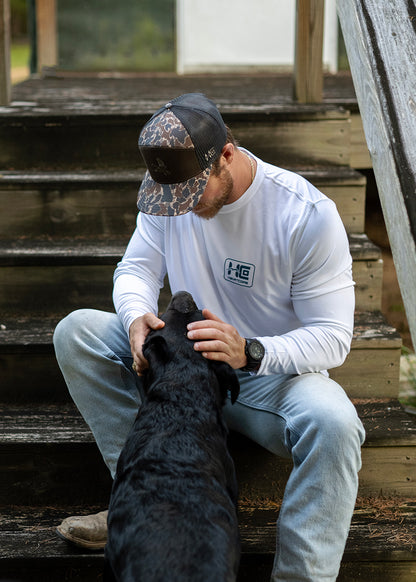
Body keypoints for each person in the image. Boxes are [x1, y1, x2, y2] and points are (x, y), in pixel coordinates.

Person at [54, 93, 365, 581]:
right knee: (78, 332)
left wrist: (251, 351)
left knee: (336, 425)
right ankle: (137, 501)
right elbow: (135, 269)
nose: (182, 206)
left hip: (268, 377)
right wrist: (136, 317)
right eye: (173, 196)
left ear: (227, 153)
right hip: (181, 366)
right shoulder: (169, 192)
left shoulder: (305, 214)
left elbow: (333, 337)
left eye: (192, 192)